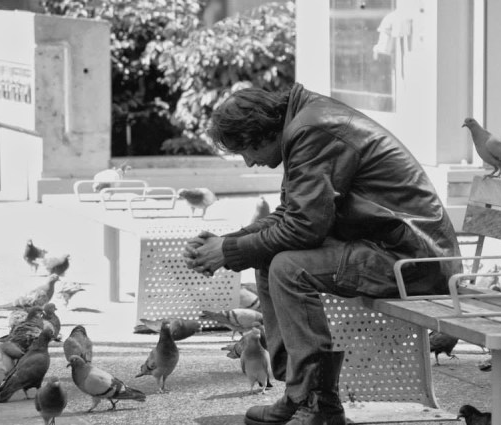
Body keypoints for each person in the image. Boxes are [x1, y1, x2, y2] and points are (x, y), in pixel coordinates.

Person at [184, 83, 461, 425]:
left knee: (288, 267)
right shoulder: (305, 122)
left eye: (246, 151)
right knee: (270, 258)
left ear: (262, 133)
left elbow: (303, 228)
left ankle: (315, 402)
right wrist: (227, 243)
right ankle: (304, 396)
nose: (250, 161)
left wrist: (227, 251)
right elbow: (293, 215)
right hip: (390, 248)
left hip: (414, 261)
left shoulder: (312, 129)